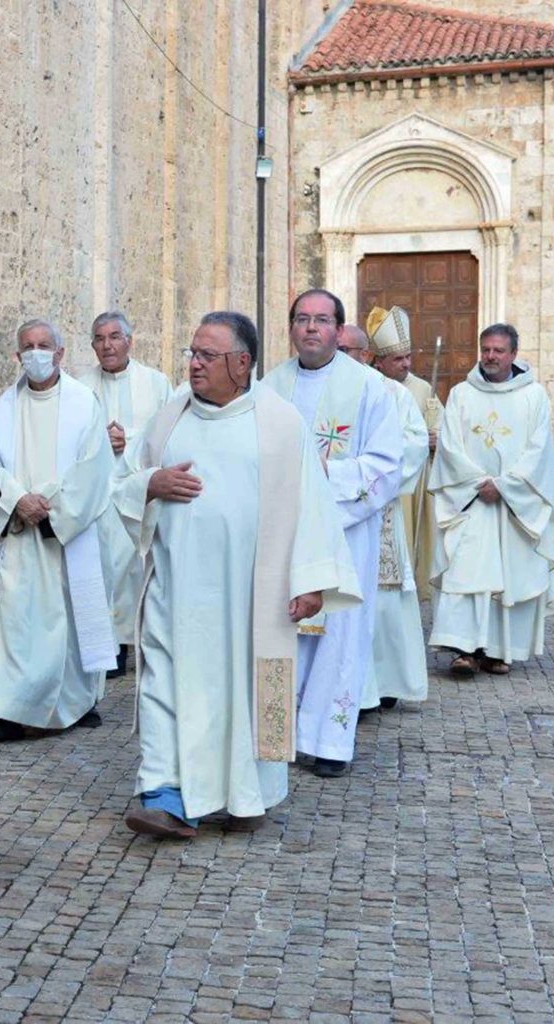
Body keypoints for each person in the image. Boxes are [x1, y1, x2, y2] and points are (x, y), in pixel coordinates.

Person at [117, 311, 359, 839]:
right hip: (174, 588)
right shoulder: (170, 416)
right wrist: (150, 484)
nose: (194, 364)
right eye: (193, 353)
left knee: (245, 693)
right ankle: (162, 793)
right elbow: (124, 482)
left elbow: (313, 503)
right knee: (164, 684)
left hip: (250, 595)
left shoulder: (279, 423)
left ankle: (245, 793)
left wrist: (310, 580)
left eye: (208, 355)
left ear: (242, 363)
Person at [262, 289, 403, 778]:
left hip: (344, 534)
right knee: (281, 629)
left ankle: (328, 742)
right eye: (302, 319)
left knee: (339, 636)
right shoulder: (270, 387)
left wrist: (326, 474)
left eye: (322, 320)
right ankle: (277, 734)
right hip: (282, 533)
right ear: (290, 328)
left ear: (339, 331)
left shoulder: (369, 388)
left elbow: (387, 466)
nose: (311, 328)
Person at [0, 318, 117, 742]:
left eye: (44, 345)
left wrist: (53, 509)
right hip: (22, 531)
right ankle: (7, 707)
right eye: (28, 346)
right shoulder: (6, 406)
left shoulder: (83, 402)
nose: (36, 353)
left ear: (60, 353)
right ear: (17, 355)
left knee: (73, 621)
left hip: (67, 535)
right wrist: (18, 500)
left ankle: (75, 703)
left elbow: (94, 468)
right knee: (17, 622)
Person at [429, 324, 554, 675]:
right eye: (486, 350)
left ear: (513, 354)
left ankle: (498, 651)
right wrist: (478, 483)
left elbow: (539, 452)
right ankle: (464, 650)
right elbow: (450, 446)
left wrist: (506, 487)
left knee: (513, 576)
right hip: (472, 501)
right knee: (465, 573)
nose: (490, 357)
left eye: (498, 350)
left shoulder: (534, 396)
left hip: (514, 507)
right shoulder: (462, 394)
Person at [72, 310, 173, 679]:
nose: (107, 345)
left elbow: (166, 431)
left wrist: (126, 438)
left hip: (139, 491)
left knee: (137, 570)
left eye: (115, 337)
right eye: (99, 339)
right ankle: (108, 648)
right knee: (101, 569)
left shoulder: (156, 383)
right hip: (98, 493)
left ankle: (139, 641)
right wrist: (101, 440)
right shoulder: (80, 387)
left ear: (130, 341)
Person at [349, 312, 431, 711]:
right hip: (333, 510)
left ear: (365, 354)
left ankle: (384, 683)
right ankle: (352, 689)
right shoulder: (326, 390)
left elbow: (415, 443)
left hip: (380, 509)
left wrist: (373, 474)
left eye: (349, 349)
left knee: (383, 601)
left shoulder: (394, 395)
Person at [371, 317, 444, 601]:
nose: (406, 364)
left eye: (408, 357)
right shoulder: (370, 386)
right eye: (398, 359)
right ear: (380, 362)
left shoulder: (424, 389)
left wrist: (437, 440)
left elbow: (444, 432)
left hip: (414, 485)